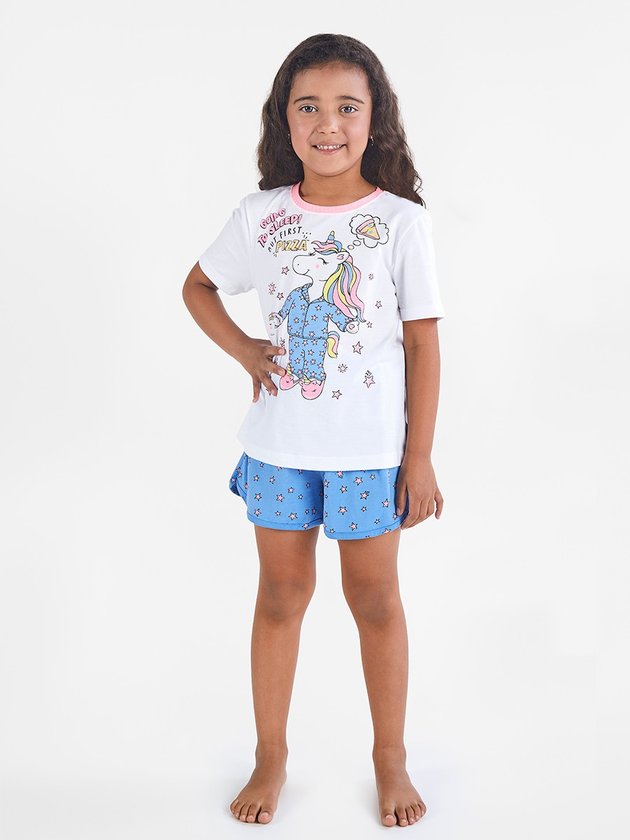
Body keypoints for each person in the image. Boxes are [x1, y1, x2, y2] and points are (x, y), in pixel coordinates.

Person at [182, 33, 446, 828]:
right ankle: (271, 755)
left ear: (374, 119)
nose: (327, 123)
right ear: (285, 119)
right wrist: (244, 350)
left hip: (369, 456)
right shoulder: (260, 217)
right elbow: (197, 287)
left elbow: (423, 343)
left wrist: (419, 457)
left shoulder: (400, 223)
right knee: (280, 597)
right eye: (309, 106)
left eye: (346, 107)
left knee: (376, 601)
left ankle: (389, 757)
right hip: (279, 450)